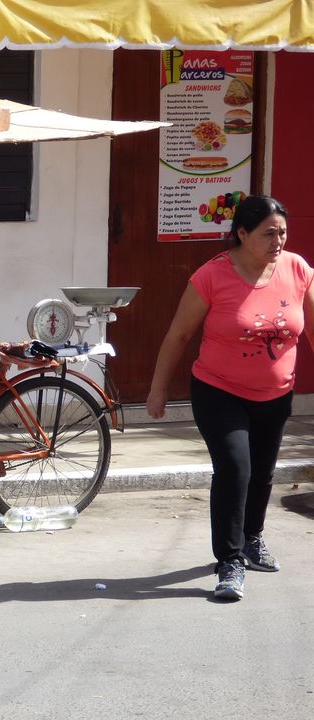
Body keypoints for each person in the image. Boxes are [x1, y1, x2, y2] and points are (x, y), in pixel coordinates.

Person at [146, 194, 314, 601]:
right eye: (268, 233)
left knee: (262, 473)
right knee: (236, 468)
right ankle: (230, 561)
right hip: (219, 391)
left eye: (283, 232)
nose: (278, 240)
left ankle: (252, 538)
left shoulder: (297, 269)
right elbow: (178, 335)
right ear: (242, 233)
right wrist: (158, 389)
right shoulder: (212, 276)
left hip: (275, 393)